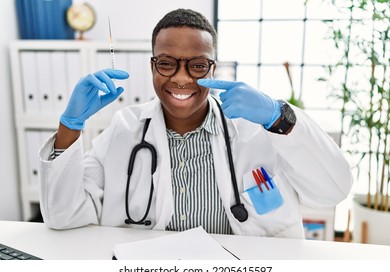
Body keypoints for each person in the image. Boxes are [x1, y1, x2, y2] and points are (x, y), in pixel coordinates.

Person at [39, 8, 352, 238]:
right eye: (166, 63)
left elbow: (333, 191)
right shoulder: (125, 129)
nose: (181, 78)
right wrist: (70, 125)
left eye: (198, 66)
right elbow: (63, 216)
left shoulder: (255, 130)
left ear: (213, 67)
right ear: (152, 65)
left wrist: (278, 117)